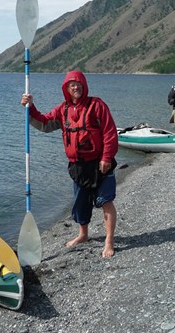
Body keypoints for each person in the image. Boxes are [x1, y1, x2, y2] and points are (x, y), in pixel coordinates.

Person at [21, 70, 119, 258]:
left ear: (84, 86)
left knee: (106, 201)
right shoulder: (62, 110)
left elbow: (109, 132)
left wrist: (106, 157)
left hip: (100, 163)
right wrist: (30, 108)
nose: (75, 87)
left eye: (78, 83)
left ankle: (109, 241)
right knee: (81, 203)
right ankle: (83, 234)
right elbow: (44, 122)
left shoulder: (97, 105)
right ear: (66, 88)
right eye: (71, 84)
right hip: (78, 166)